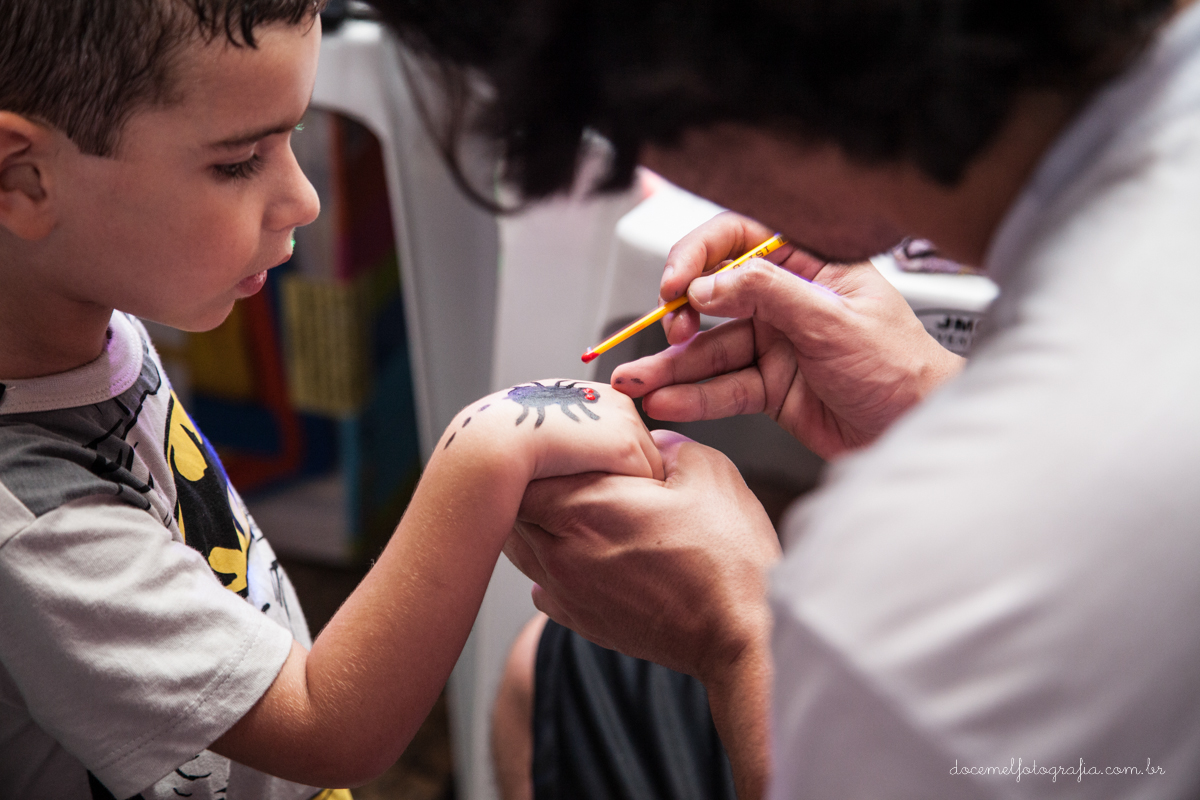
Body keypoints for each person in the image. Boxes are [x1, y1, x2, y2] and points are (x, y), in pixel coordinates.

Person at [376, 0, 1200, 798]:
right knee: (565, 667)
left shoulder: (895, 602)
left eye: (624, 130)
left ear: (687, 84)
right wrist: (925, 393)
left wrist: (738, 633)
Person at [0, 2, 664, 798]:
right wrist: (487, 450)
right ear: (22, 178)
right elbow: (325, 727)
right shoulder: (36, 529)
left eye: (293, 140)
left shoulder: (86, 312)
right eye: (240, 160)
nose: (303, 199)